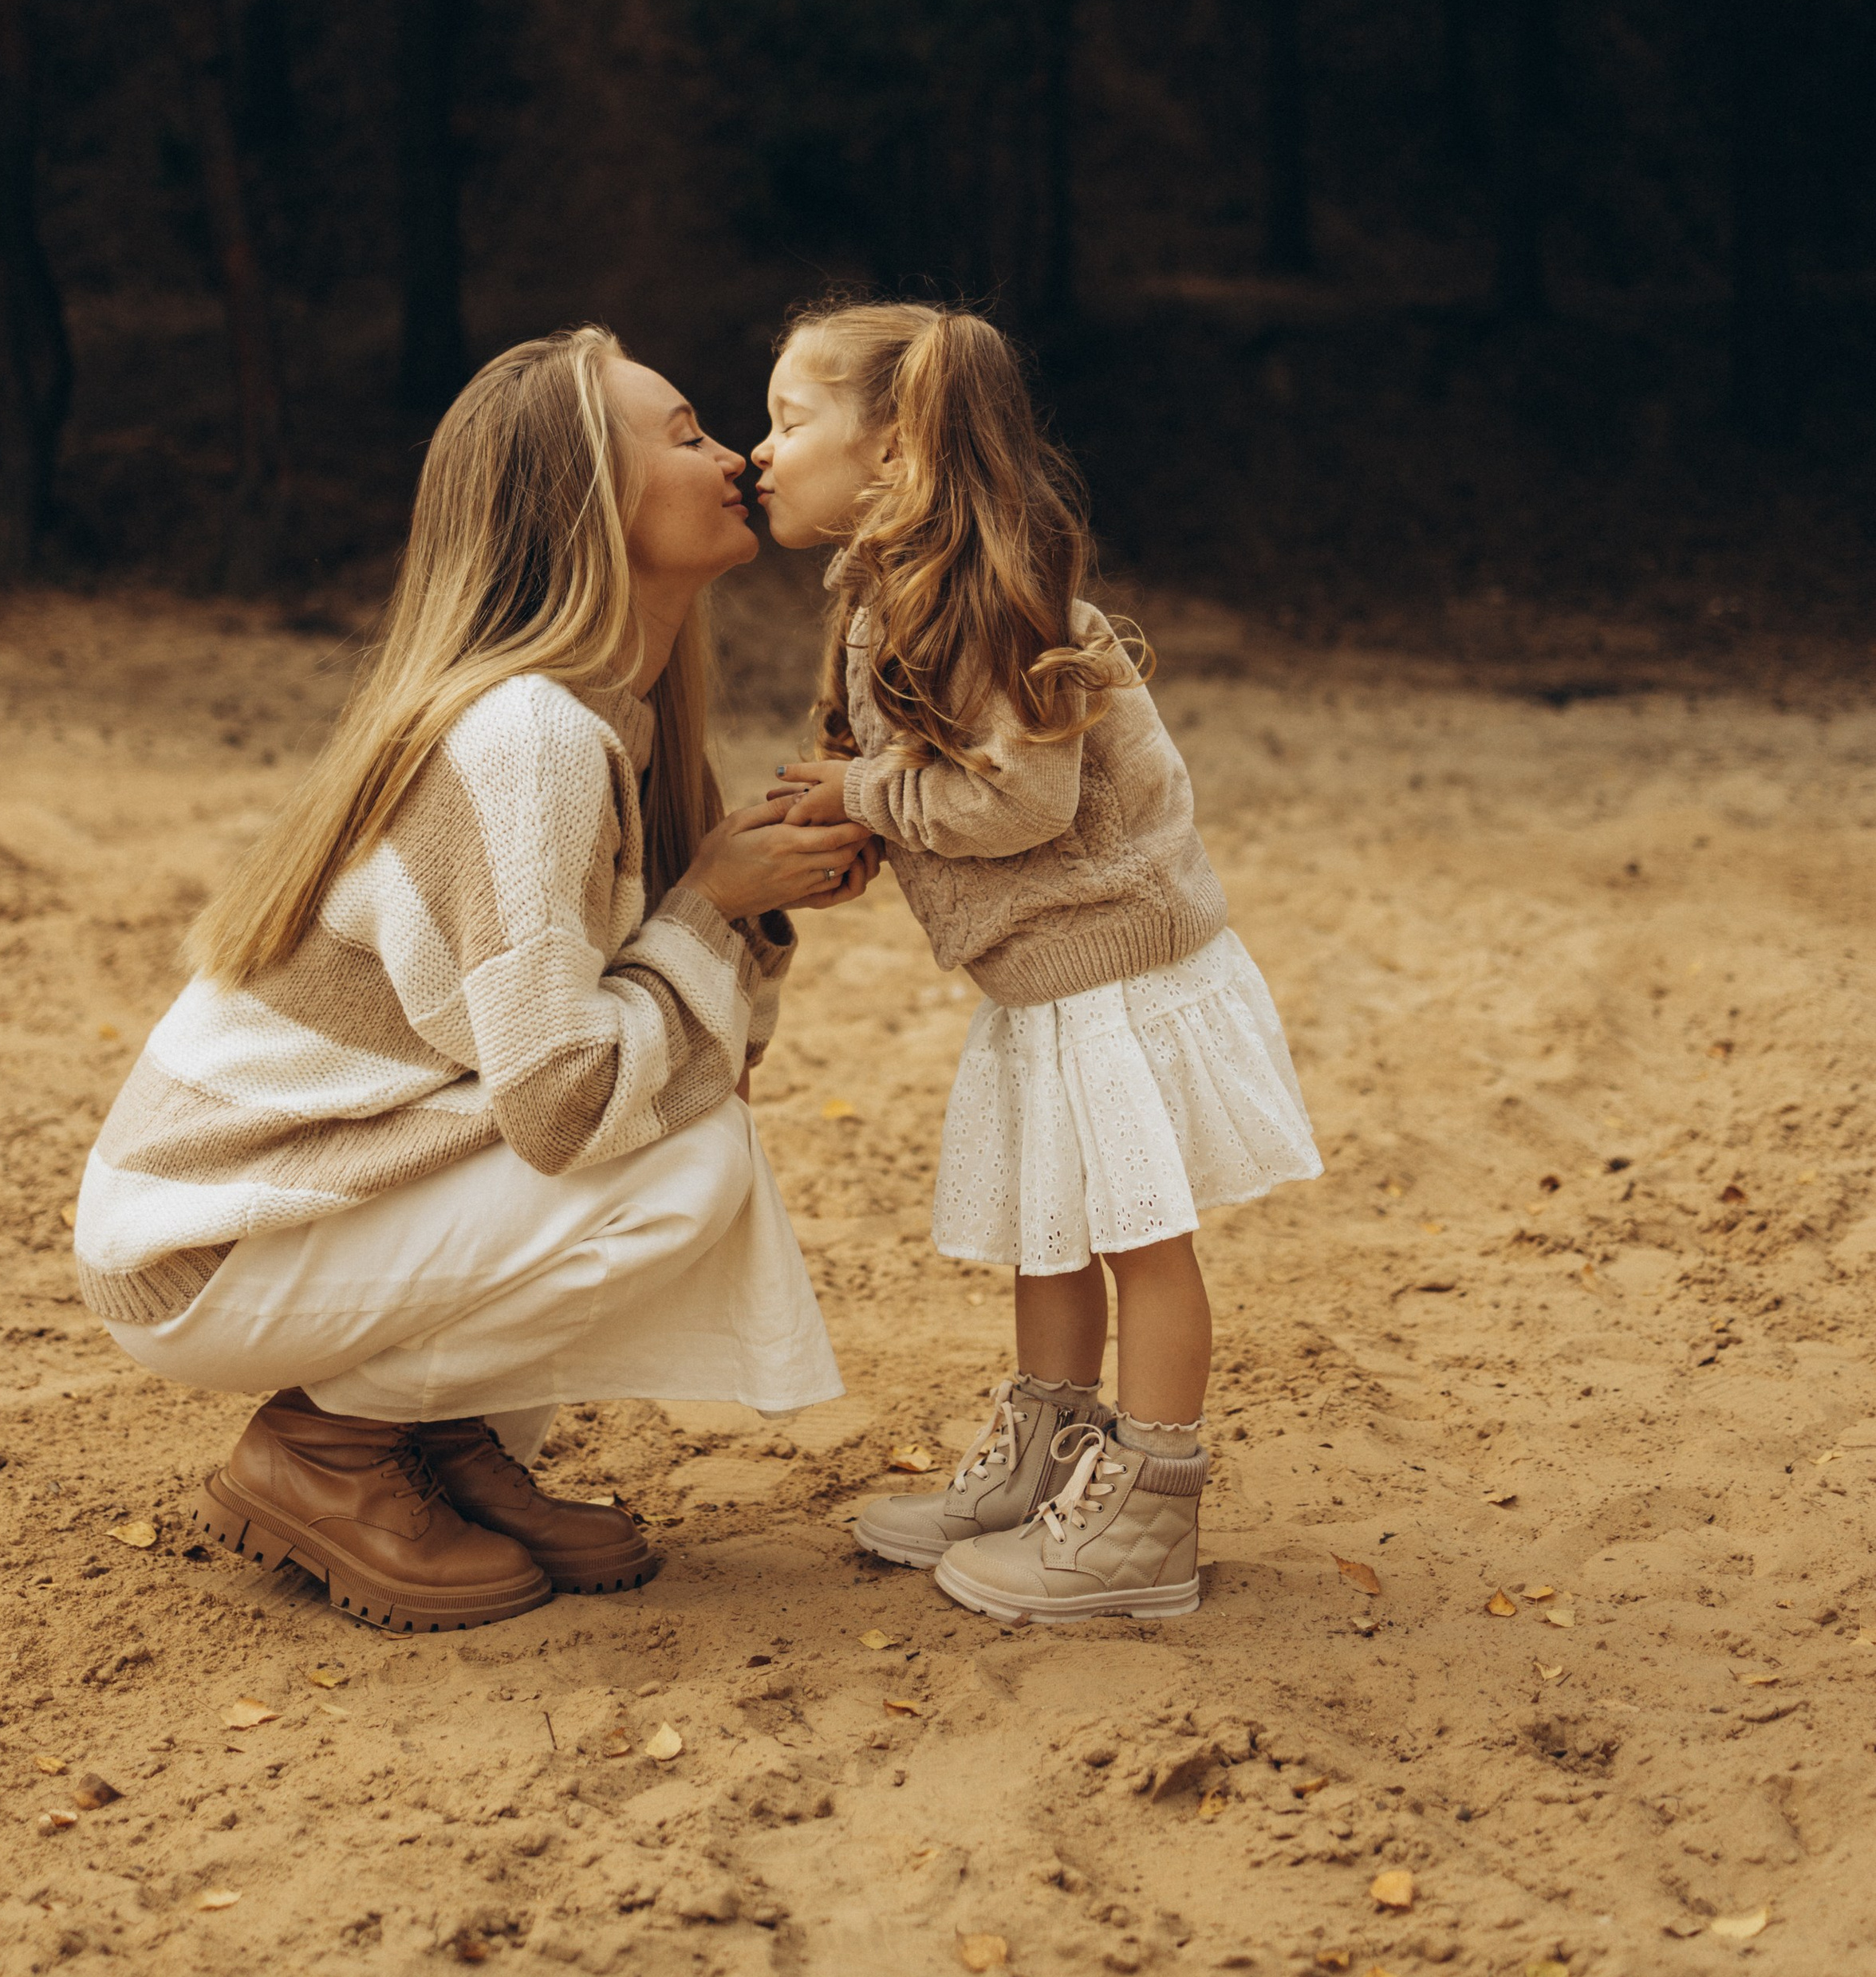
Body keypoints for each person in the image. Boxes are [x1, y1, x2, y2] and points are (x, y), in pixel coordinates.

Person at [74, 325, 877, 1634]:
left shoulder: (611, 723)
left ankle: (435, 1445)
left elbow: (674, 1055)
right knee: (682, 1166)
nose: (735, 458)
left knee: (676, 1134)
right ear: (584, 507)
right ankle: (329, 1449)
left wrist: (744, 911)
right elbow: (567, 1105)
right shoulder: (531, 740)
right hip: (203, 1245)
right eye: (684, 435)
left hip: (272, 1206)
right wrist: (713, 909)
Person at [751, 300, 1321, 1626]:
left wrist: (868, 802)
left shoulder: (991, 602)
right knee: (1052, 1231)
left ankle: (1149, 1517)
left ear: (892, 456)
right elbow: (914, 781)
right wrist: (852, 820)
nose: (757, 452)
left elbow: (1019, 807)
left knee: (1140, 1243)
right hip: (1042, 976)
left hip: (1110, 974)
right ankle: (1047, 1465)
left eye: (788, 421)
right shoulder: (887, 595)